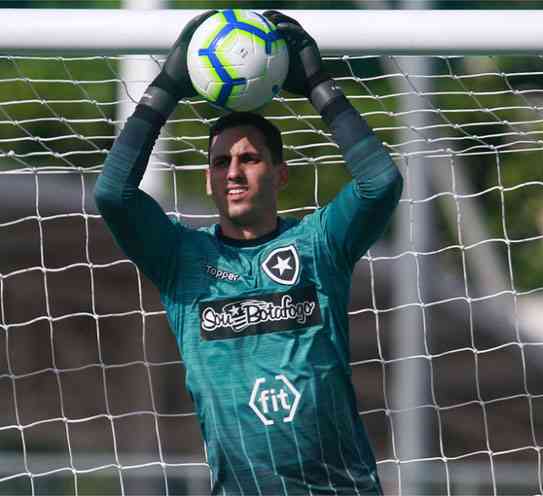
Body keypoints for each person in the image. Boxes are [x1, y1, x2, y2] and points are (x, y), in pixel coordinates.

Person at [94, 10, 402, 496]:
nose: (233, 172)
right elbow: (113, 194)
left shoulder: (318, 245)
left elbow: (380, 183)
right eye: (221, 162)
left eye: (250, 158)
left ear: (279, 174)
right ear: (208, 179)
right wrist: (166, 88)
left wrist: (320, 86)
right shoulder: (180, 258)